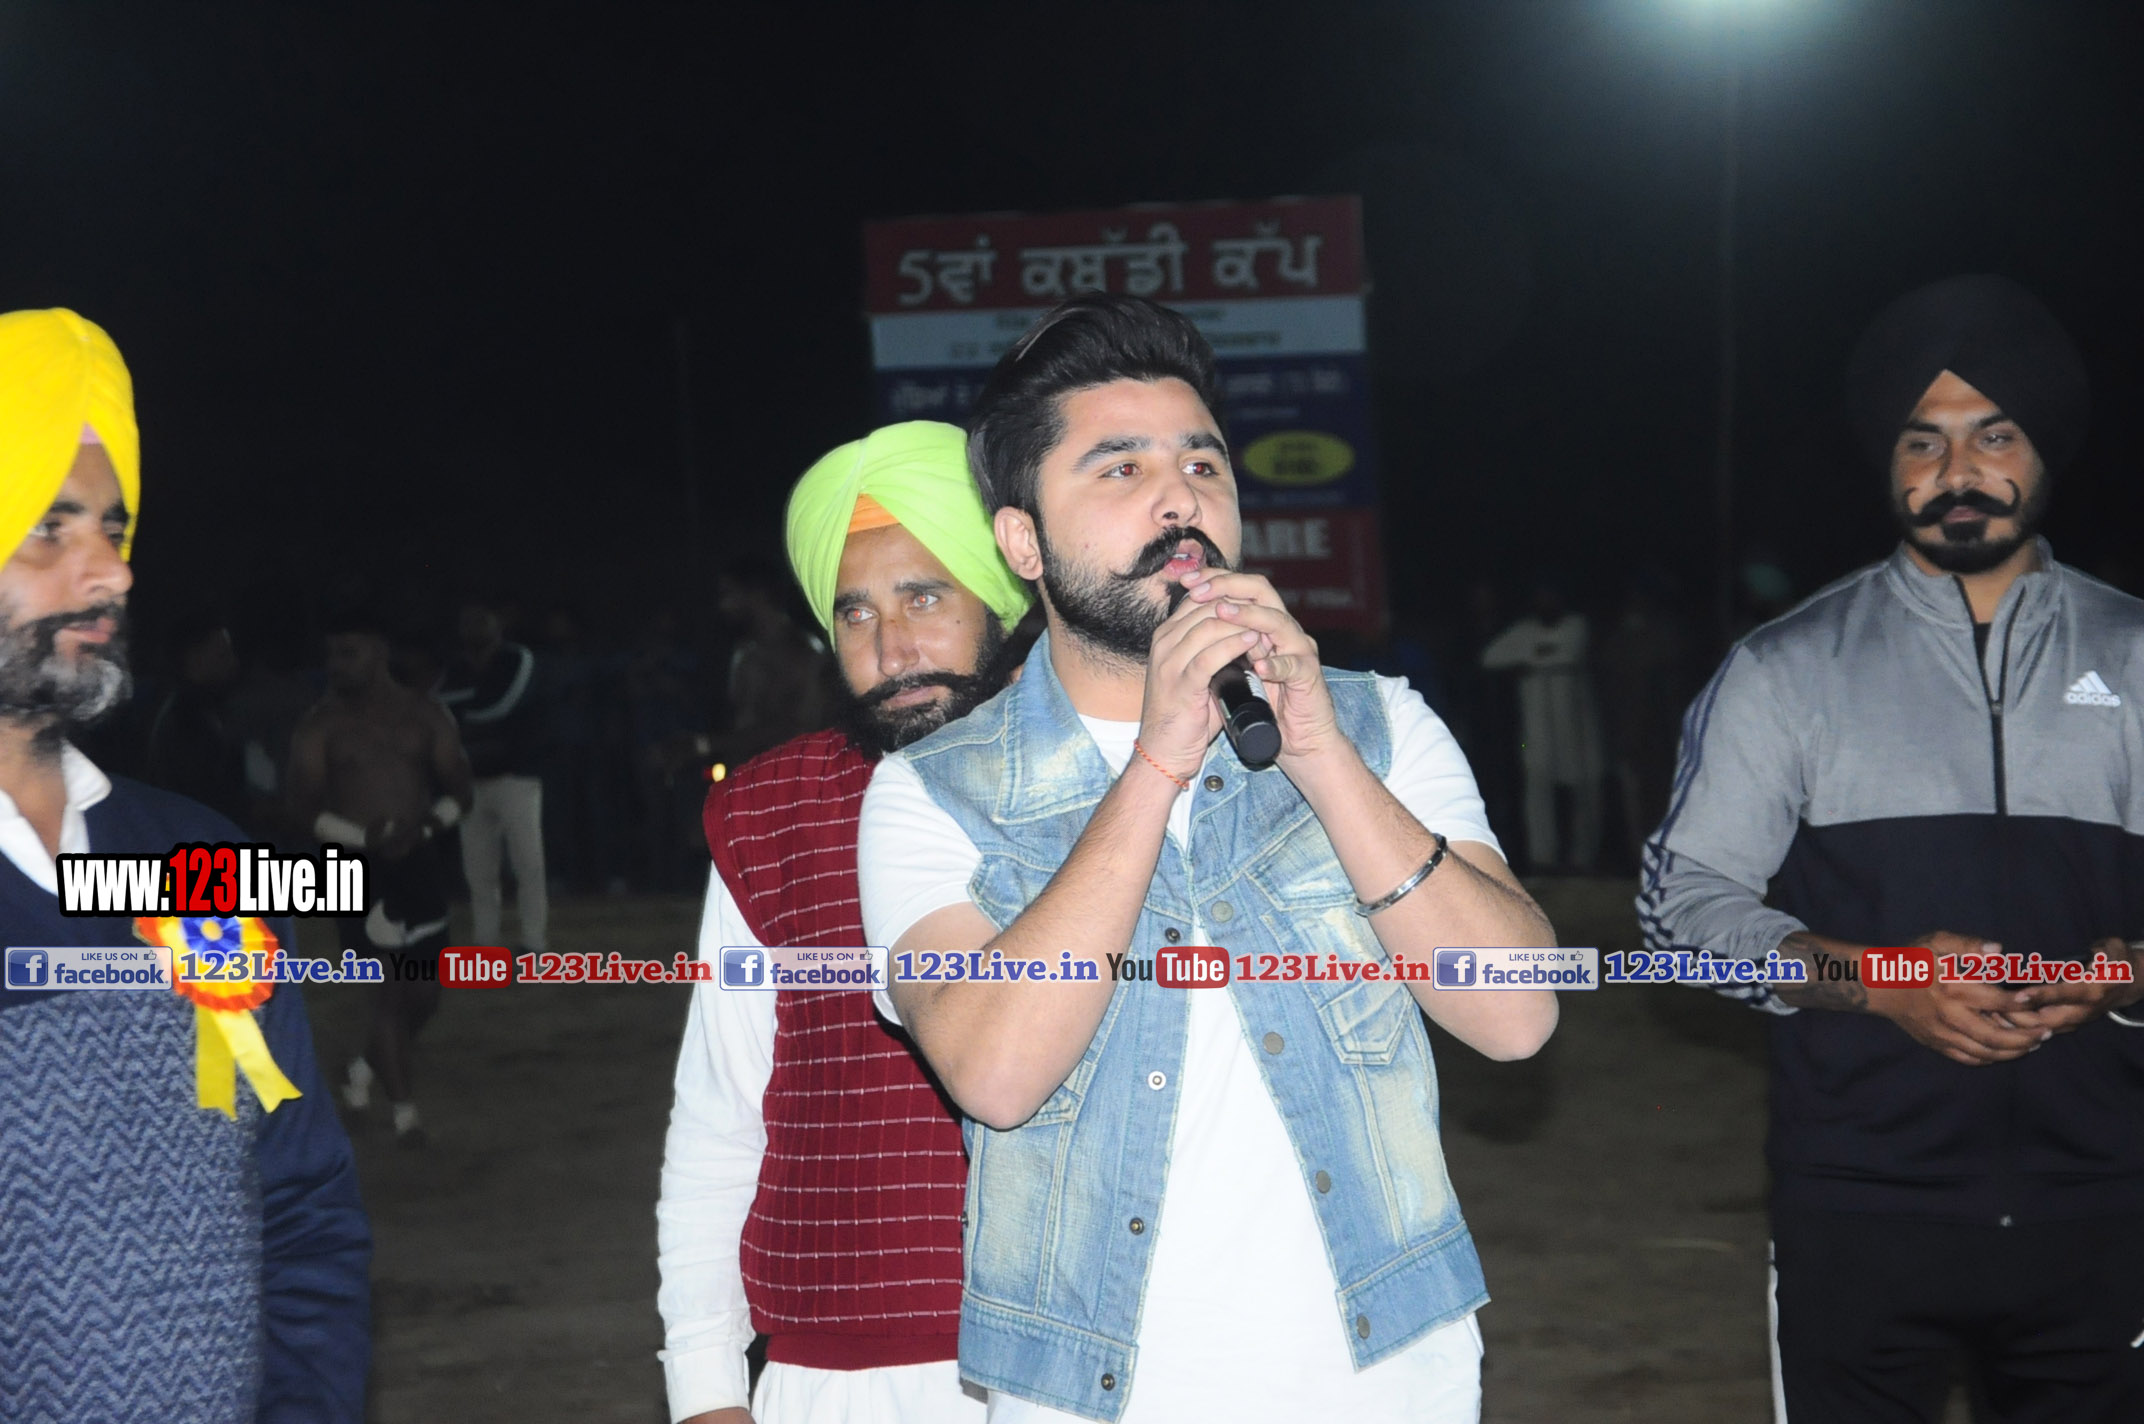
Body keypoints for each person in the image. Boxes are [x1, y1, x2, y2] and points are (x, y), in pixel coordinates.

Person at [860, 294, 1559, 1423]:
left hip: (1389, 1378)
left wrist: (1319, 752)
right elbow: (994, 1072)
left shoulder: (1379, 725)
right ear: (1022, 542)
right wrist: (1155, 765)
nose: (1179, 498)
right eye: (1119, 469)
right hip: (1090, 1393)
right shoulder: (931, 792)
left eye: (1201, 463)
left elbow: (1517, 1013)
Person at [1638, 274, 2144, 1421]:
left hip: (2103, 1200)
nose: (1956, 470)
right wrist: (1879, 979)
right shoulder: (1784, 668)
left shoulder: (2134, 653)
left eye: (1992, 435)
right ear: (1887, 460)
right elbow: (1681, 912)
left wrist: (2125, 977)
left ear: (2043, 449)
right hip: (1858, 1204)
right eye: (1922, 441)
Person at [0, 307, 370, 1420]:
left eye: (114, 530)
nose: (109, 573)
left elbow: (299, 1200)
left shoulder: (194, 861)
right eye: (50, 530)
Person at [657, 420, 1029, 1424]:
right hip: (840, 1377)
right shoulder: (771, 815)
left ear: (999, 591)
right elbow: (721, 1113)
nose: (891, 647)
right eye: (854, 611)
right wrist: (704, 1387)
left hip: (1101, 1361)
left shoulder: (1117, 783)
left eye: (924, 597)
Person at [287, 607, 474, 1145]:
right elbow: (300, 806)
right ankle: (405, 1115)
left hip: (418, 860)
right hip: (352, 867)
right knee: (387, 992)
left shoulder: (426, 714)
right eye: (331, 654)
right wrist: (359, 837)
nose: (337, 664)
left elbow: (461, 790)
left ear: (380, 652)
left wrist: (427, 827)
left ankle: (365, 1067)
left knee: (425, 995)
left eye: (349, 653)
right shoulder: (320, 724)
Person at [438, 595, 548, 952]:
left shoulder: (517, 658)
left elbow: (498, 705)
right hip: (473, 780)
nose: (472, 627)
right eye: (467, 620)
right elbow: (449, 708)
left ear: (499, 621)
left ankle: (533, 942)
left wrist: (459, 716)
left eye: (480, 619)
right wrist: (465, 712)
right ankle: (486, 942)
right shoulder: (458, 667)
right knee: (479, 871)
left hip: (516, 776)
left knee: (527, 866)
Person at [1480, 579, 1604, 873]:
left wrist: (1527, 660)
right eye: (1541, 596)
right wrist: (1536, 656)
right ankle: (1543, 858)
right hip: (1536, 729)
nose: (1546, 602)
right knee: (1537, 787)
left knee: (1585, 787)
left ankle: (1584, 857)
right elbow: (1489, 657)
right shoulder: (1525, 630)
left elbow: (1570, 653)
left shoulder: (1576, 624)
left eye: (1551, 595)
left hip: (1576, 727)